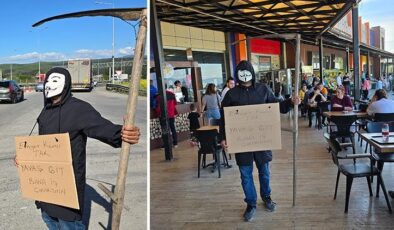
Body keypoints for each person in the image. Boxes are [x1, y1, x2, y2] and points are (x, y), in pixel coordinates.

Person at [15, 67, 140, 229]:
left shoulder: (79, 109)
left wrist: (124, 134)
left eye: (55, 81)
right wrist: (25, 158)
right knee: (49, 220)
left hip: (68, 193)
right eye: (47, 81)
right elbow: (42, 147)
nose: (48, 85)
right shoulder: (45, 111)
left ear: (66, 84)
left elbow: (105, 130)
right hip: (45, 192)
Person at [220, 60, 299, 222]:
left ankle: (267, 197)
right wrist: (223, 137)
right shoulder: (231, 94)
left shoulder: (263, 90)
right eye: (240, 72)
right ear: (237, 74)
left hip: (262, 141)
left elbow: (277, 106)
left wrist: (290, 102)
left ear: (252, 73)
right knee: (245, 175)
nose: (244, 75)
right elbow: (223, 118)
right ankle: (250, 203)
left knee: (265, 172)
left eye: (246, 71)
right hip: (242, 143)